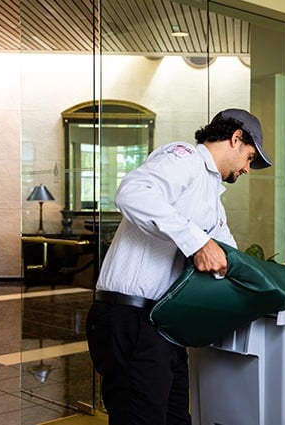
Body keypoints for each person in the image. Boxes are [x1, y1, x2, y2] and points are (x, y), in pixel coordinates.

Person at [85, 108, 272, 425]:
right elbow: (131, 192)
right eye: (250, 158)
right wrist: (196, 242)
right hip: (129, 318)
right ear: (235, 138)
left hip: (164, 325)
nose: (247, 169)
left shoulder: (211, 196)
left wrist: (270, 289)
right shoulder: (183, 158)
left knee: (175, 418)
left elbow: (228, 255)